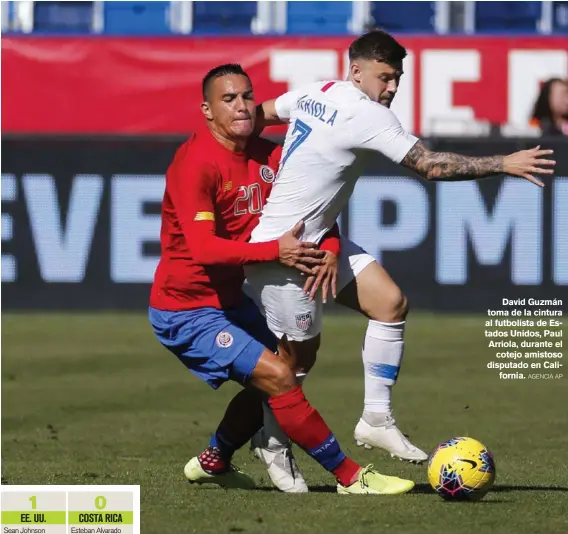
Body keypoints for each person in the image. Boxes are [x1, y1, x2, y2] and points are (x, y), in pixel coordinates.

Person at [244, 30, 557, 493]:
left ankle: (375, 416)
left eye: (397, 79)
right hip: (283, 255)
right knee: (292, 366)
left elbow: (260, 114)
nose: (391, 88)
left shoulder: (318, 91)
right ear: (357, 71)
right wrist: (504, 163)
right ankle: (269, 441)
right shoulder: (365, 114)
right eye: (384, 77)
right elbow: (430, 166)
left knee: (389, 302)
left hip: (315, 243)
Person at [149, 63, 416, 495]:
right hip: (187, 309)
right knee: (278, 377)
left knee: (286, 369)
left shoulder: (270, 155)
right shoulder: (194, 163)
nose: (241, 106)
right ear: (206, 110)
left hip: (234, 301)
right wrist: (277, 251)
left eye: (247, 96)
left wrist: (329, 250)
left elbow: (317, 213)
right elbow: (204, 249)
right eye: (228, 99)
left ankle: (215, 459)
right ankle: (350, 476)